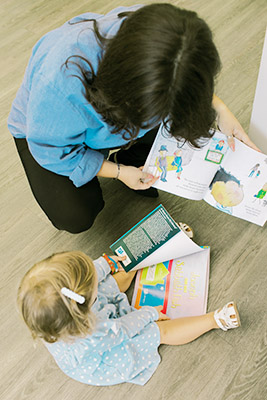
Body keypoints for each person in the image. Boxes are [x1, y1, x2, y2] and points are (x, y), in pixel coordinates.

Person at [8, 3, 259, 233]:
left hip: (118, 114)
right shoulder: (59, 85)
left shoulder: (161, 31)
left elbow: (180, 71)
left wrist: (220, 109)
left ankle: (128, 154)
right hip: (48, 137)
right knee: (75, 215)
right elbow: (51, 151)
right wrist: (119, 172)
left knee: (192, 121)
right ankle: (120, 159)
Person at [17, 250, 240, 386]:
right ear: (86, 301)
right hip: (109, 351)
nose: (95, 273)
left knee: (111, 282)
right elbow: (124, 328)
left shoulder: (54, 308)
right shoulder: (95, 333)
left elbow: (90, 273)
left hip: (91, 316)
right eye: (91, 280)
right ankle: (215, 320)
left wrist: (105, 263)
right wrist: (149, 314)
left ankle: (159, 251)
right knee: (159, 331)